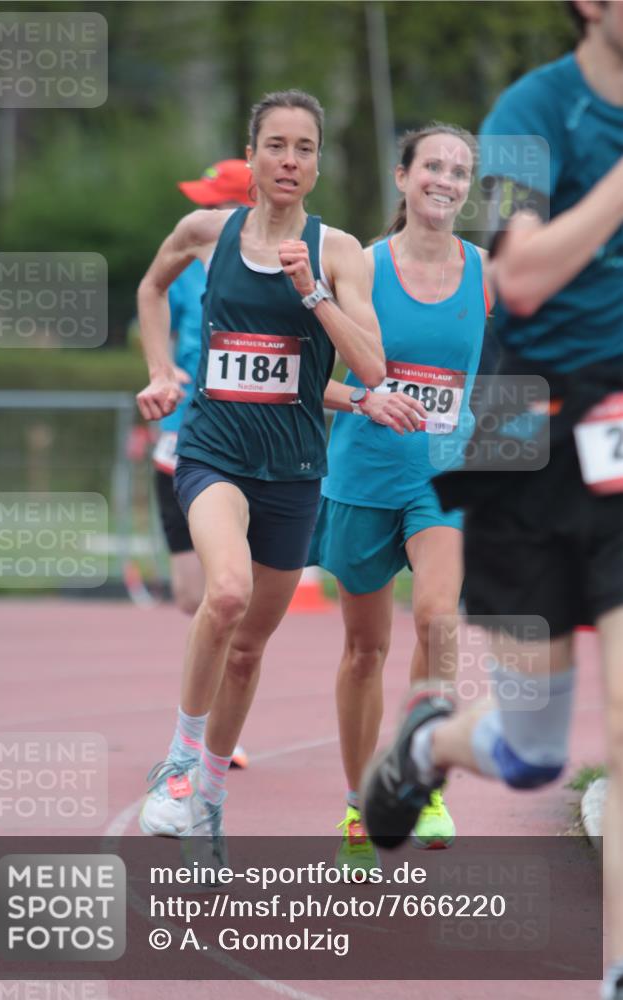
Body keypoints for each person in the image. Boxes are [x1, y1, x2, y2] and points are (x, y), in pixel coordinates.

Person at [361, 4, 623, 998]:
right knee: (530, 753)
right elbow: (516, 278)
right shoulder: (530, 115)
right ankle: (427, 742)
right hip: (526, 430)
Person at [135, 89, 386, 855]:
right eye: (275, 144)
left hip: (294, 471)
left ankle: (208, 798)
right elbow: (150, 287)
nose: (288, 159)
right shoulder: (205, 233)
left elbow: (372, 369)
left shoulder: (339, 251)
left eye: (303, 148)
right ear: (250, 157)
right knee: (226, 593)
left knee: (248, 650)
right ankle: (179, 767)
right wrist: (161, 371)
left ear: (317, 165)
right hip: (212, 452)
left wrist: (312, 291)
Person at [308, 123, 491, 873]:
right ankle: (360, 801)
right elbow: (308, 379)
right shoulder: (360, 265)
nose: (445, 180)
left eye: (459, 171)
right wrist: (363, 399)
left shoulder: (485, 272)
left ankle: (422, 779)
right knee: (364, 650)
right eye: (432, 166)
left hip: (444, 476)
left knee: (437, 617)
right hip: (362, 476)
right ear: (402, 177)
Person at [151, 159, 254, 770]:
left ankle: (212, 727)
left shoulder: (270, 263)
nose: (203, 212)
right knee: (193, 595)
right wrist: (160, 369)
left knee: (227, 592)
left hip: (237, 449)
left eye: (216, 202)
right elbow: (151, 303)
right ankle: (201, 710)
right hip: (176, 442)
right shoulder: (188, 256)